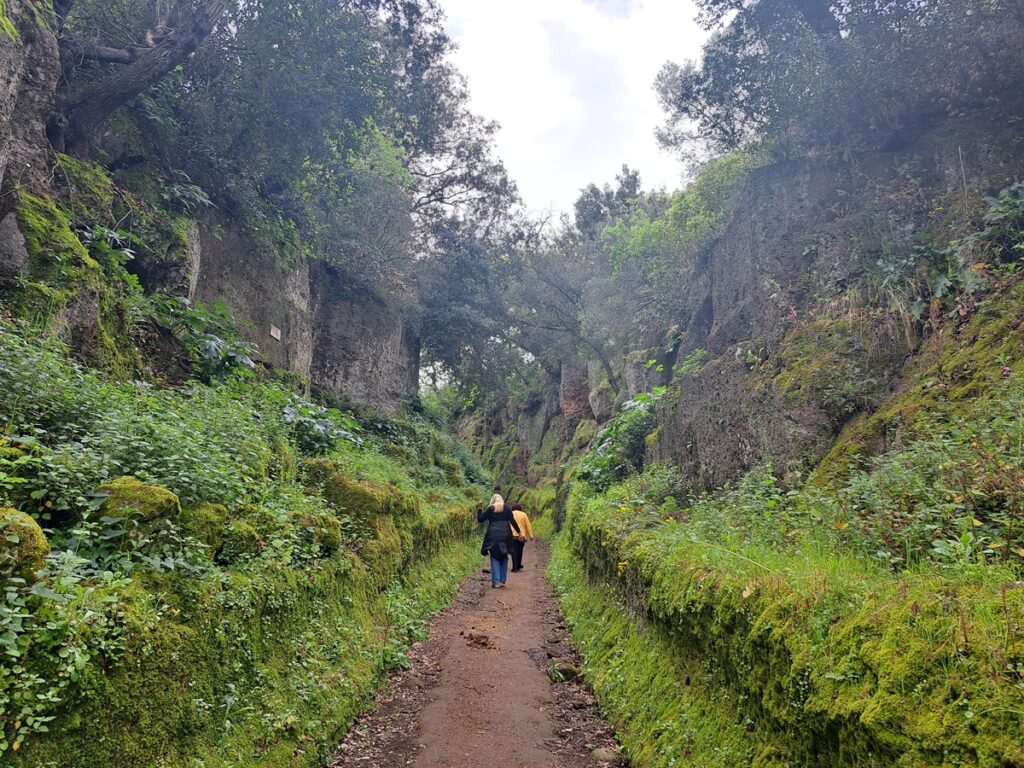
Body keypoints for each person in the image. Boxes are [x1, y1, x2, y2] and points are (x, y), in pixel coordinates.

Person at [477, 493, 520, 588]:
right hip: (506, 533)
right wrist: (519, 532)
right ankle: (503, 580)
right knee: (504, 555)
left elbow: (481, 519)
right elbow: (512, 521)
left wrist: (479, 509)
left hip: (493, 534)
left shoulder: (490, 509)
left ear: (492, 500)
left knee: (494, 556)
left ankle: (496, 582)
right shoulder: (507, 508)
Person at [508, 502, 534, 572]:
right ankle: (519, 565)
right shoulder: (523, 514)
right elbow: (528, 525)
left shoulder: (510, 514)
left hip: (512, 535)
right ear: (520, 508)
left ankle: (514, 568)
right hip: (521, 536)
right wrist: (531, 535)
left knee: (514, 551)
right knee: (520, 551)